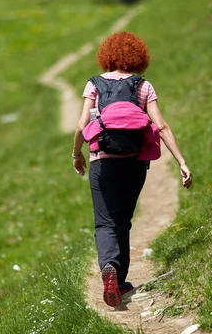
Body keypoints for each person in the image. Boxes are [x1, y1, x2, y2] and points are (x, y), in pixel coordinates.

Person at [72, 32, 192, 307]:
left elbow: (81, 126)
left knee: (105, 221)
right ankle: (121, 281)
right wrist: (182, 162)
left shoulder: (94, 85)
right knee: (123, 220)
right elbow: (161, 126)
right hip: (134, 162)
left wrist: (77, 154)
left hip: (102, 161)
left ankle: (108, 268)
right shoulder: (143, 86)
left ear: (107, 56)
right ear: (139, 57)